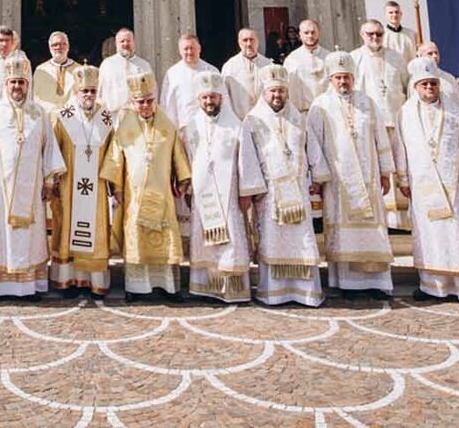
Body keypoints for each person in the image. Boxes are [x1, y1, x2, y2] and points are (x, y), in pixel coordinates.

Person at [396, 57, 459, 305]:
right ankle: (432, 287)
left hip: (452, 185)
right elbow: (400, 148)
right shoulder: (405, 113)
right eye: (424, 84)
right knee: (430, 238)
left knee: (458, 236)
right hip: (421, 186)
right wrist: (402, 178)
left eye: (433, 84)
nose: (429, 89)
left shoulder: (455, 111)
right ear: (415, 86)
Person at [305, 51, 396, 300]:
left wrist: (387, 171)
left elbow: (380, 137)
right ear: (330, 79)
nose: (343, 82)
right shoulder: (320, 105)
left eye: (346, 77)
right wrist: (319, 176)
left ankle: (376, 282)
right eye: (338, 78)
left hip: (369, 177)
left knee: (372, 231)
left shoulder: (367, 102)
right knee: (345, 233)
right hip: (338, 181)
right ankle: (346, 283)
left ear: (353, 78)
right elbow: (313, 143)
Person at [0, 55, 63, 297]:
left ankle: (30, 285)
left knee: (31, 234)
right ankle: (2, 286)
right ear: (6, 84)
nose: (17, 87)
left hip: (32, 190)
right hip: (1, 190)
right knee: (4, 233)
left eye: (21, 83)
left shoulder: (40, 113)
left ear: (28, 85)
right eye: (13, 82)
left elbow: (49, 148)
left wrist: (49, 181)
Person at [98, 70, 190, 299]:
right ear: (133, 101)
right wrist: (116, 188)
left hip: (162, 193)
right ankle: (136, 288)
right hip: (134, 195)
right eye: (141, 102)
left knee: (164, 240)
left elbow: (177, 153)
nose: (146, 106)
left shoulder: (166, 123)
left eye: (149, 101)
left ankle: (167, 287)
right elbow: (115, 157)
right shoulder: (125, 124)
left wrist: (183, 178)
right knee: (137, 239)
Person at [240, 65, 323, 307]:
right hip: (270, 195)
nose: (277, 96)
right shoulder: (253, 120)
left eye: (281, 91)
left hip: (298, 192)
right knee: (273, 241)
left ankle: (305, 292)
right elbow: (247, 158)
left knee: (302, 241)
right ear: (264, 93)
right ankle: (274, 293)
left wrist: (317, 176)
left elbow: (312, 148)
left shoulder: (299, 118)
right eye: (272, 92)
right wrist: (252, 190)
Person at [182, 70, 253, 303]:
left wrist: (245, 193)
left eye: (213, 96)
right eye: (204, 98)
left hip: (229, 196)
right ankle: (204, 287)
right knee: (204, 241)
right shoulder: (190, 126)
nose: (209, 101)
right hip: (202, 198)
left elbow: (244, 162)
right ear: (198, 100)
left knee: (230, 240)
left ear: (221, 97)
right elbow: (185, 159)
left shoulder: (235, 126)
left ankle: (230, 288)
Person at [47, 64, 113, 297]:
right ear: (75, 92)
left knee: (95, 231)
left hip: (96, 187)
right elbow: (52, 149)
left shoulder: (106, 118)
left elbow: (113, 152)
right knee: (67, 230)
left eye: (93, 91)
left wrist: (112, 181)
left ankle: (93, 279)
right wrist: (52, 181)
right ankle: (68, 280)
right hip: (67, 187)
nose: (89, 95)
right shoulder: (61, 116)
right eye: (84, 91)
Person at [349, 19, 409, 229]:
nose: (375, 38)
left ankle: (402, 222)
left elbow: (406, 87)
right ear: (361, 35)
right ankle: (382, 218)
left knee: (400, 165)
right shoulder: (354, 59)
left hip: (396, 119)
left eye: (379, 34)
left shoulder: (396, 58)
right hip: (370, 126)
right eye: (370, 34)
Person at [161, 30, 220, 130]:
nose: (189, 52)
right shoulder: (172, 74)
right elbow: (166, 105)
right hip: (183, 129)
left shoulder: (211, 71)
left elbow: (221, 101)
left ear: (199, 48)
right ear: (180, 51)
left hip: (209, 129)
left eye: (192, 48)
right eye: (186, 49)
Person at [96, 28, 153, 114]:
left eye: (128, 41)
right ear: (116, 44)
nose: (125, 44)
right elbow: (99, 91)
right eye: (122, 41)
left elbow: (152, 92)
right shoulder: (107, 65)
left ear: (134, 42)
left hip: (137, 116)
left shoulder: (144, 65)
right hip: (113, 116)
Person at [221, 27, 273, 121]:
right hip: (240, 121)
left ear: (257, 41)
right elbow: (224, 97)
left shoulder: (268, 65)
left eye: (252, 40)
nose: (249, 44)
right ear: (239, 42)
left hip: (265, 121)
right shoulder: (230, 67)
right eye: (245, 40)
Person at [283, 20, 329, 113]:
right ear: (300, 35)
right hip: (303, 113)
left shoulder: (328, 57)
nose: (310, 36)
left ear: (318, 32)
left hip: (327, 111)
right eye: (306, 33)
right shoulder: (292, 59)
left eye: (313, 32)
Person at [33, 31, 78, 109]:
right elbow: (35, 97)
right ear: (50, 47)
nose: (58, 47)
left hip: (72, 115)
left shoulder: (79, 70)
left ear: (68, 46)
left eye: (63, 44)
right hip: (47, 115)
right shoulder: (41, 70)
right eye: (55, 45)